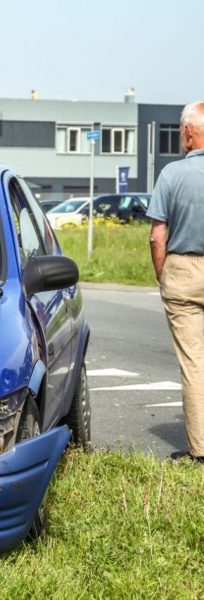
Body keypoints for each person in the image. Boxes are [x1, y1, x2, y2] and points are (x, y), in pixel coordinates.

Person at [146, 100, 204, 464]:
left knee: (194, 362)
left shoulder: (171, 175)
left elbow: (156, 235)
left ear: (187, 131)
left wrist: (164, 274)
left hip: (183, 271)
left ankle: (200, 451)